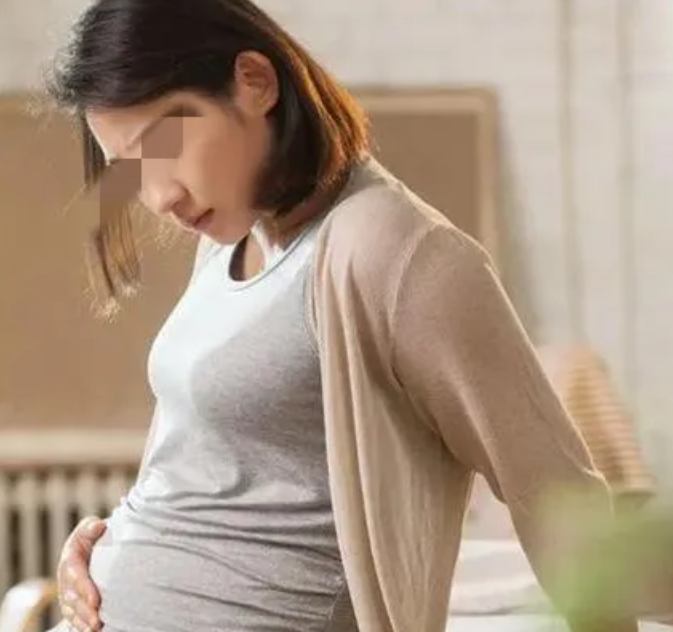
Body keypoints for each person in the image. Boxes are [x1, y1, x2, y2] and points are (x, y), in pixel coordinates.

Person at [44, 0, 635, 631]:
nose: (159, 196)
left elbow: (554, 493)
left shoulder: (392, 248)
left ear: (255, 82)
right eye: (129, 168)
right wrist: (105, 541)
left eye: (165, 141)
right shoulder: (225, 244)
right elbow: (203, 468)